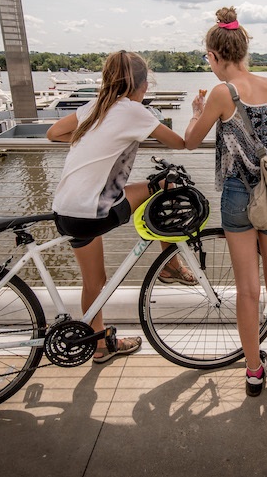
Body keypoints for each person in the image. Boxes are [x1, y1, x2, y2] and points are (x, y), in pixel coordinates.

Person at [184, 7, 267, 409]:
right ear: (244, 49)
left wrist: (197, 112)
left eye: (208, 58)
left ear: (214, 55)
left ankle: (254, 372)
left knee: (248, 291)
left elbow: (192, 140)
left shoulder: (221, 93)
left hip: (238, 196)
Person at [47, 51, 192, 364]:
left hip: (66, 209)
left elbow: (53, 133)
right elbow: (179, 143)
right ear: (140, 85)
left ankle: (98, 346)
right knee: (168, 184)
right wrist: (196, 114)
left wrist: (96, 135)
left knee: (94, 283)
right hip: (90, 212)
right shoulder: (132, 110)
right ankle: (170, 264)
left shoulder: (94, 108)